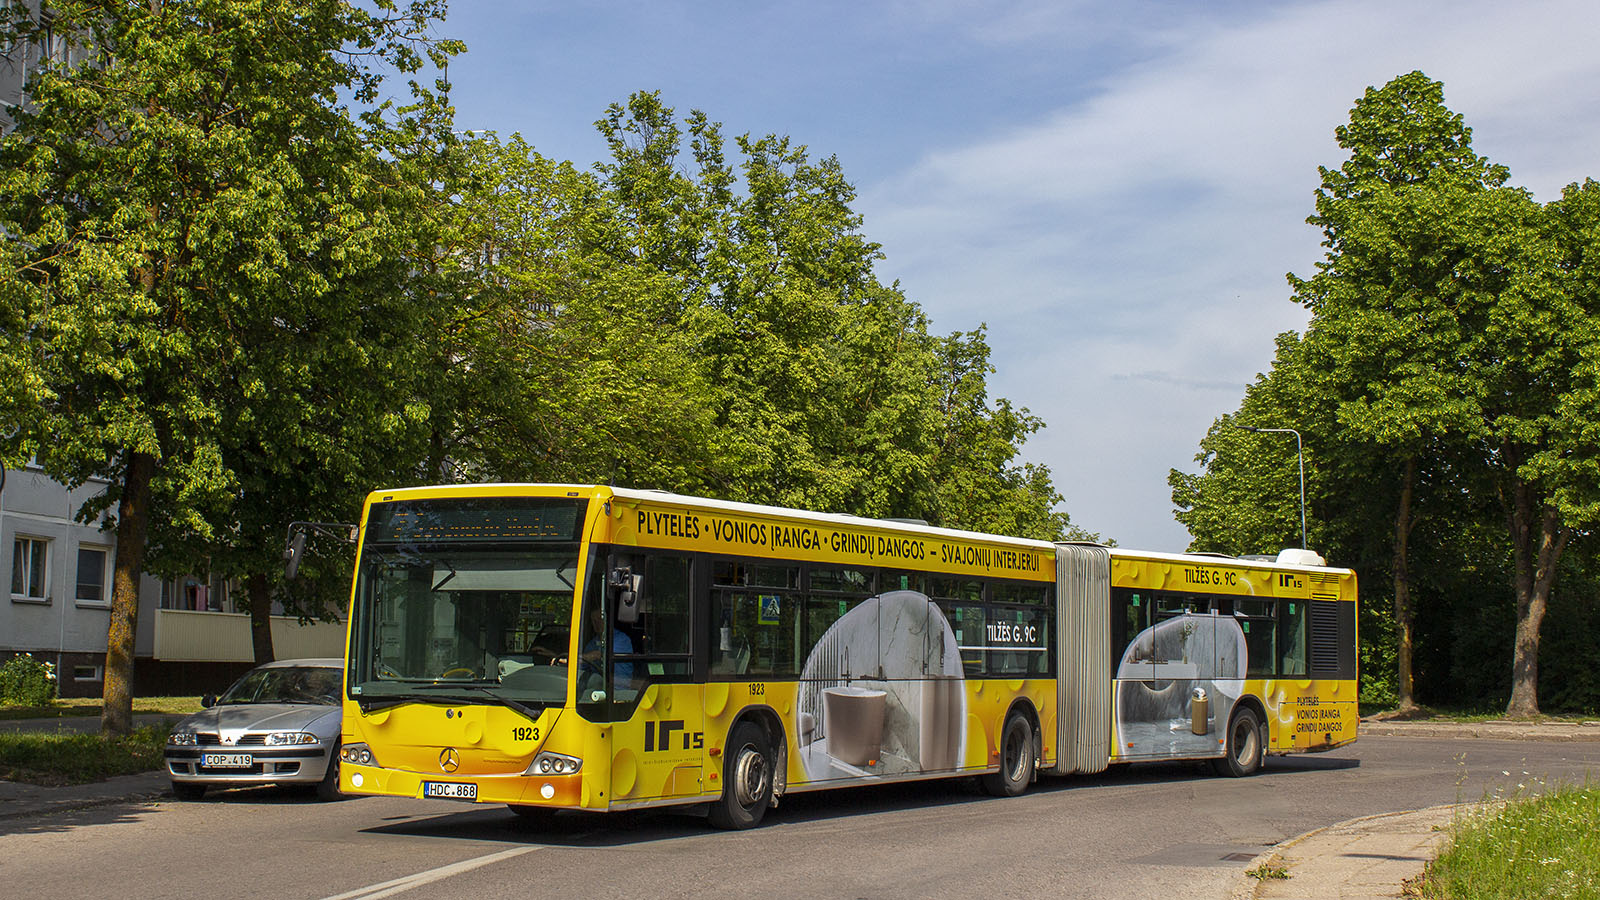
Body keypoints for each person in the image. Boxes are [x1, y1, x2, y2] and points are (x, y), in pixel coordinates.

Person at [577, 604, 634, 686]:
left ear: (607, 620)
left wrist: (586, 657)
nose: (597, 623)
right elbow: (582, 665)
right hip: (598, 688)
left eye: (600, 619)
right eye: (594, 621)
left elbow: (601, 654)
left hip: (618, 689)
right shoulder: (592, 643)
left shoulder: (621, 639)